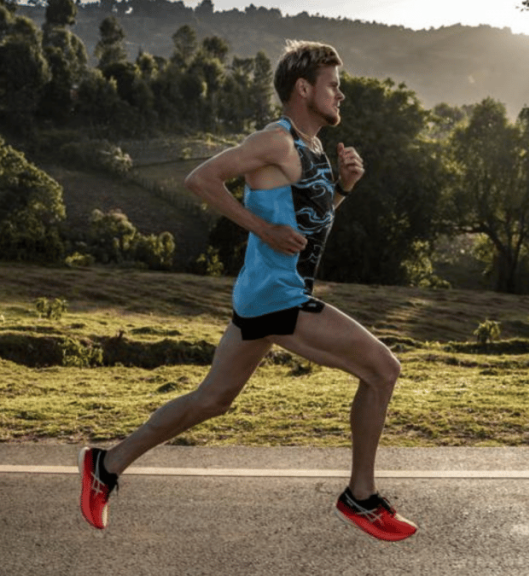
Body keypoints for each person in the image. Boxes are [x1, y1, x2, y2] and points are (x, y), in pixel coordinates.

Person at [79, 40, 418, 542]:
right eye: (333, 85)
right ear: (304, 89)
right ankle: (360, 498)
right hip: (276, 295)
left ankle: (105, 465)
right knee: (383, 369)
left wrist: (344, 188)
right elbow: (201, 179)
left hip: (267, 292)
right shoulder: (276, 140)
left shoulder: (314, 148)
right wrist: (261, 228)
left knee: (211, 400)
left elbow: (308, 224)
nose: (341, 94)